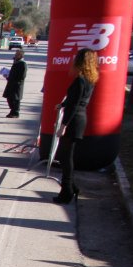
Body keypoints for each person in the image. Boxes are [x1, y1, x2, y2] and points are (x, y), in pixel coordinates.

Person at [52, 48, 97, 204]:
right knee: (66, 156)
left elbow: (74, 104)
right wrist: (63, 104)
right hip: (79, 118)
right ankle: (71, 187)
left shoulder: (80, 80)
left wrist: (63, 125)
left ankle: (67, 191)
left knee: (66, 157)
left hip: (74, 120)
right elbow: (75, 100)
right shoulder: (90, 79)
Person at [3, 49, 27, 118]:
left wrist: (15, 79)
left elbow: (22, 76)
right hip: (11, 83)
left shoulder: (23, 64)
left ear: (21, 55)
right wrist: (7, 76)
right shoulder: (16, 62)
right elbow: (12, 72)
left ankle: (15, 113)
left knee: (15, 99)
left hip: (17, 85)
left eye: (17, 54)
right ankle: (12, 111)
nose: (15, 55)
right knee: (9, 98)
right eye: (16, 54)